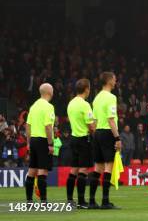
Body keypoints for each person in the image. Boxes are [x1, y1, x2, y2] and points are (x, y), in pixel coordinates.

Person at [90, 72, 121, 209]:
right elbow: (111, 119)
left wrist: (96, 135)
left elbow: (94, 121)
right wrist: (117, 138)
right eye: (114, 79)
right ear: (109, 81)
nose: (116, 81)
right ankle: (105, 201)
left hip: (97, 133)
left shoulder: (96, 98)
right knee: (108, 166)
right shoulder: (111, 97)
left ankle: (91, 201)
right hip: (108, 133)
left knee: (98, 167)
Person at [66, 78, 96, 208]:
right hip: (84, 139)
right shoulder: (85, 105)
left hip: (73, 138)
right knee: (83, 170)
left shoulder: (71, 103)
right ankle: (81, 201)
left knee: (74, 170)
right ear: (87, 89)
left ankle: (69, 200)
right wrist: (95, 126)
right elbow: (91, 126)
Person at [25, 83, 55, 203]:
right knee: (43, 170)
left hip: (33, 140)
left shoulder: (34, 106)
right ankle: (43, 202)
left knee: (32, 170)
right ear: (49, 92)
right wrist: (50, 144)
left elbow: (28, 126)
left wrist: (28, 142)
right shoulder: (48, 106)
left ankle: (29, 201)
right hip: (43, 140)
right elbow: (48, 127)